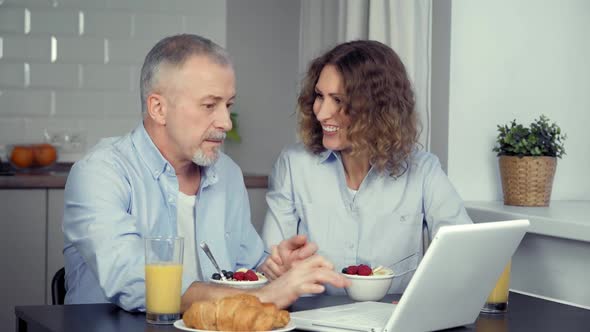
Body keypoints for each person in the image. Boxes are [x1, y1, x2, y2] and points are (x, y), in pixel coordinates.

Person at [62, 34, 348, 312]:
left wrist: (272, 270)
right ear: (159, 108)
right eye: (210, 105)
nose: (225, 122)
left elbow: (244, 265)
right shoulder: (100, 174)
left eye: (228, 105)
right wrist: (264, 297)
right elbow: (132, 278)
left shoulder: (226, 173)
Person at [261, 40, 472, 294]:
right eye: (319, 96)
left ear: (376, 108)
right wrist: (277, 267)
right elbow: (268, 263)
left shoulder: (423, 170)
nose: (322, 113)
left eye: (338, 100)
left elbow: (465, 252)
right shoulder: (294, 164)